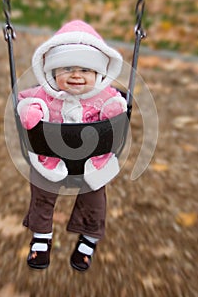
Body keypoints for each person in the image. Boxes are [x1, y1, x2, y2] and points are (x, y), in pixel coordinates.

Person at [17, 20, 127, 271]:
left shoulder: (105, 94)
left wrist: (115, 111)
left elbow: (117, 105)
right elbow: (23, 102)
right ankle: (41, 237)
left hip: (92, 161)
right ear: (53, 71)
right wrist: (31, 109)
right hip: (50, 159)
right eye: (67, 68)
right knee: (42, 194)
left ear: (98, 74)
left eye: (86, 70)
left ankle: (89, 238)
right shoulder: (45, 92)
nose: (76, 75)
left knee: (95, 198)